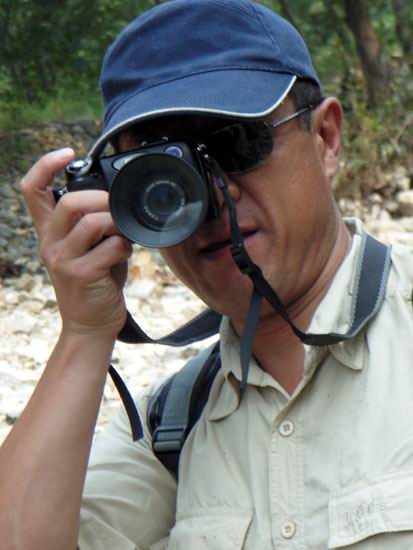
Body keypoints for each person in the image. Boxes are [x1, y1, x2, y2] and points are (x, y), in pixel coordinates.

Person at [1, 0, 412, 548]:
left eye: (236, 144)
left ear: (326, 138)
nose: (211, 198)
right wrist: (85, 331)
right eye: (164, 173)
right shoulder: (171, 426)